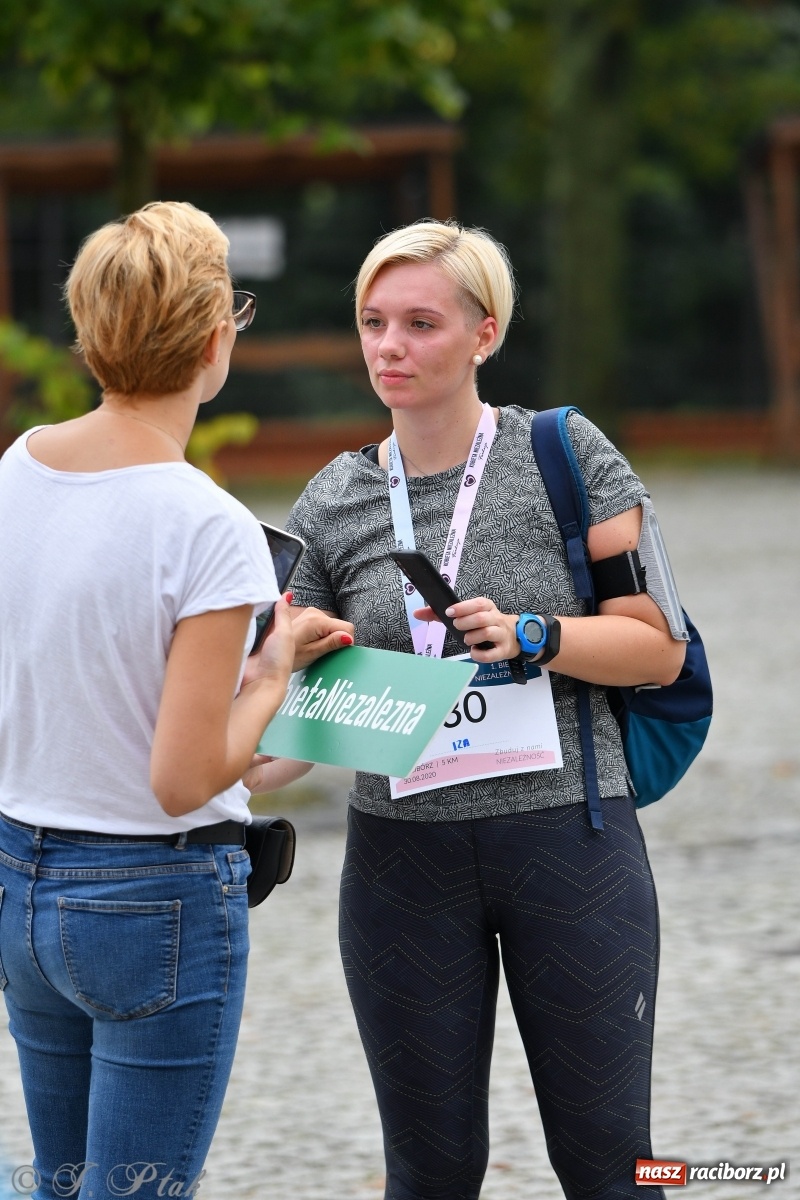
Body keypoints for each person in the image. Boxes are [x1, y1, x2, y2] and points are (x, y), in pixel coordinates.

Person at [252, 220, 686, 1200]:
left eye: (419, 323)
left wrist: (539, 636)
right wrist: (258, 701)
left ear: (483, 335)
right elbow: (278, 747)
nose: (388, 347)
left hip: (568, 844)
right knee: (429, 1172)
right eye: (371, 323)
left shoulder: (563, 453)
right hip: (402, 864)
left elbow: (657, 648)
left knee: (614, 1165)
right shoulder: (336, 498)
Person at [0, 201, 352, 1200]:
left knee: (60, 1188)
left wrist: (243, 675)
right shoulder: (206, 522)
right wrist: (276, 672)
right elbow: (182, 778)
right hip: (150, 902)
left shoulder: (16, 470)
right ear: (214, 339)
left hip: (22, 879)